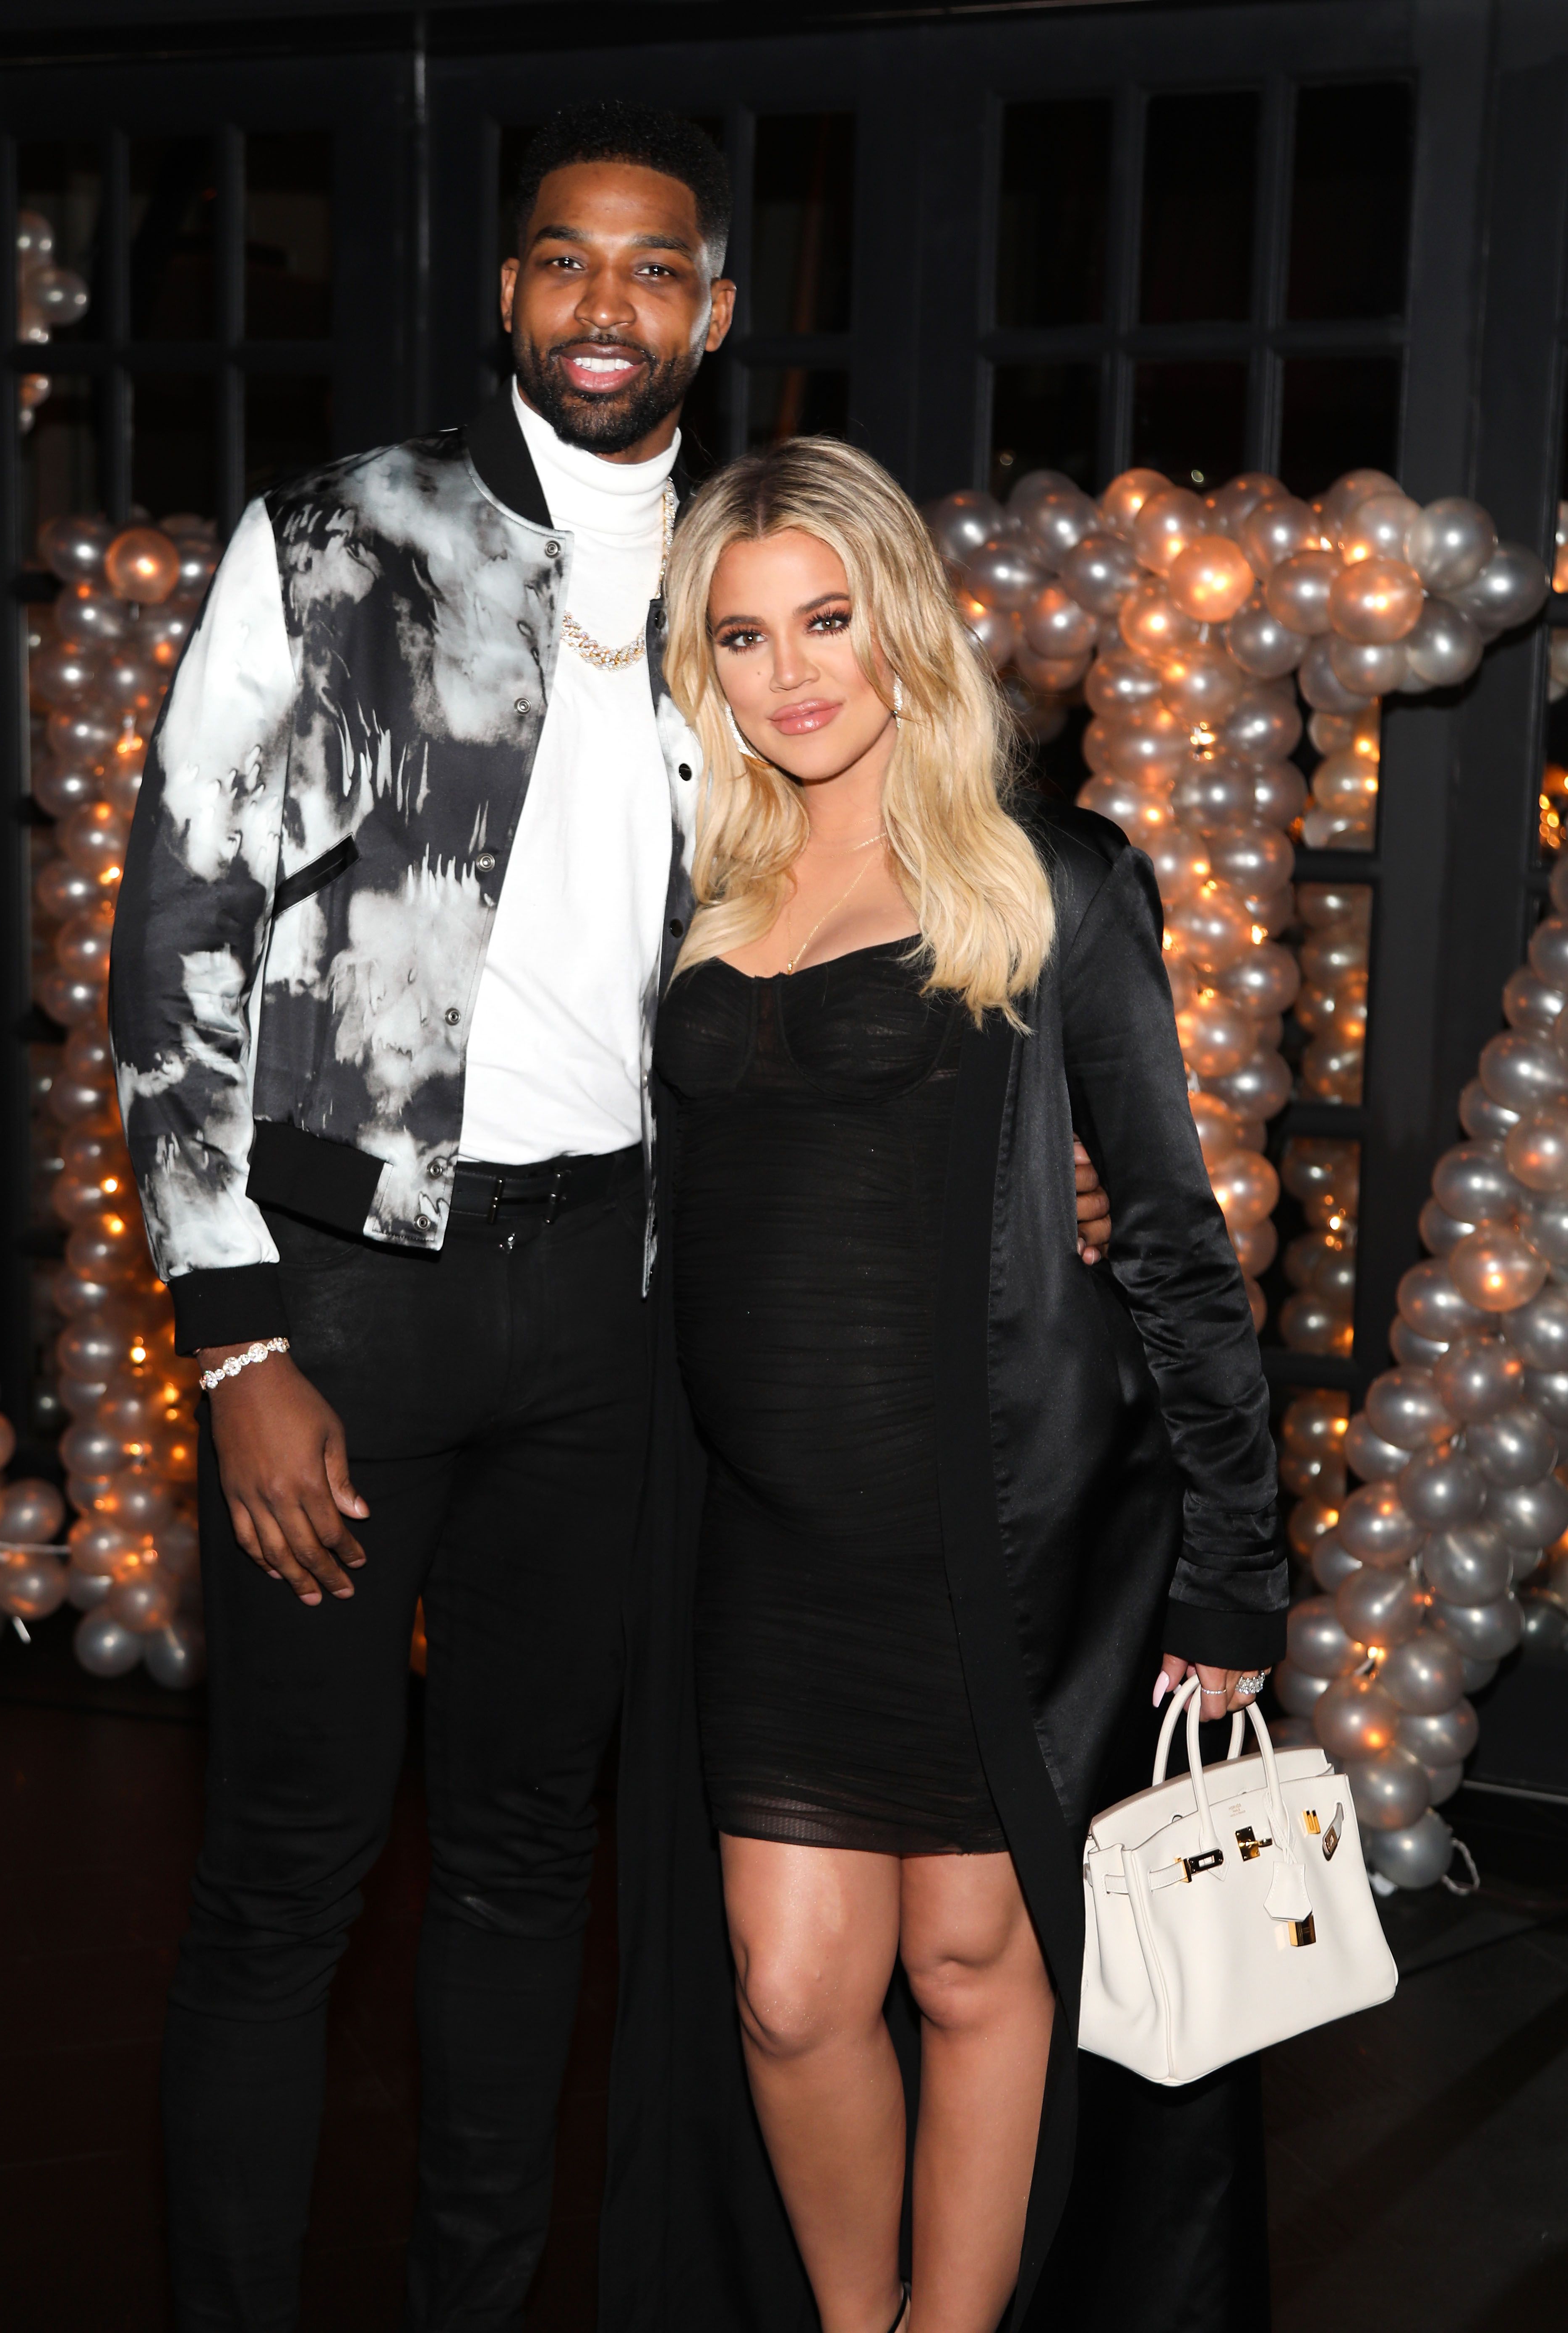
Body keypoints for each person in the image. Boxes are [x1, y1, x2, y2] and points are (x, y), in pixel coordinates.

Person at [109, 95, 1117, 2333]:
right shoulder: (339, 534)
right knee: (285, 1872)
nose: (605, 303)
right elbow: (175, 928)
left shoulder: (735, 596)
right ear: (509, 292)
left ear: (713, 311)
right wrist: (233, 1329)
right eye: (565, 259)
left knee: (520, 1864)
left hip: (612, 1316)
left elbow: (865, 904)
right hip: (340, 1301)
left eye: (656, 268)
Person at [624, 436, 1286, 2333]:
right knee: (789, 1992)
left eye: (826, 619)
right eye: (742, 636)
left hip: (991, 1534)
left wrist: (1238, 1566)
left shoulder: (1050, 883)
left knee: (977, 1963)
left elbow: (1175, 1240)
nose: (791, 672)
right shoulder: (695, 884)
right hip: (763, 1544)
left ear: (901, 622)